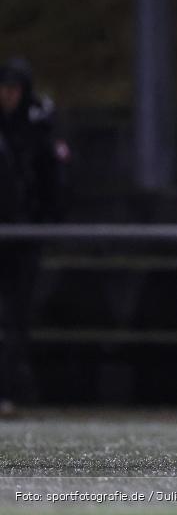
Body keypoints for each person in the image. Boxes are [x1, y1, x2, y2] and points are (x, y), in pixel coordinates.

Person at [0, 58, 68, 416]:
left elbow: (51, 176)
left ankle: (11, 390)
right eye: (4, 89)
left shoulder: (38, 123)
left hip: (23, 233)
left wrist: (46, 220)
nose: (7, 96)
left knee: (17, 317)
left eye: (13, 89)